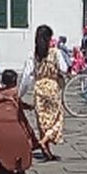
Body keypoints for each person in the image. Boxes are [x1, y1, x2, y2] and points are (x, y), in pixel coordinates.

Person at [30, 25, 65, 161]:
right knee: (57, 119)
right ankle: (44, 141)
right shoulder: (55, 52)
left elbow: (28, 75)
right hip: (52, 87)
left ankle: (47, 151)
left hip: (39, 88)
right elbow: (63, 68)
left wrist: (19, 93)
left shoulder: (34, 55)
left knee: (42, 120)